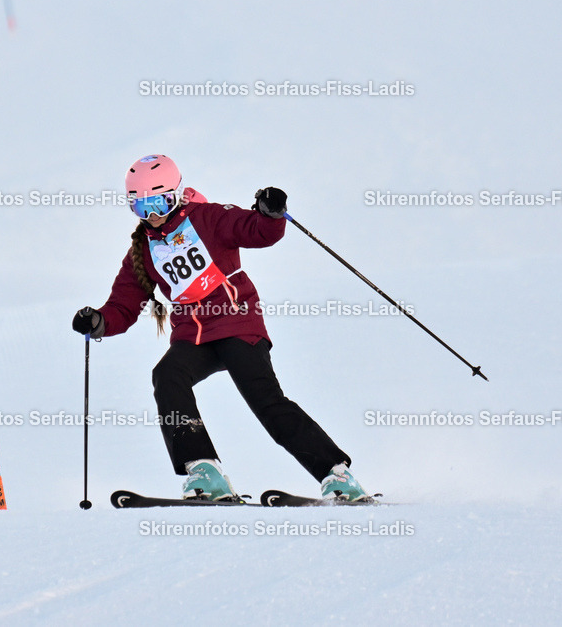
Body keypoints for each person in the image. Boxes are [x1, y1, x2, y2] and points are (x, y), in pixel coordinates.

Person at [72, 154, 369, 501]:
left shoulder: (208, 218)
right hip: (194, 336)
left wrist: (270, 213)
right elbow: (123, 305)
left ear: (177, 194)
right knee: (167, 375)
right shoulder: (143, 249)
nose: (152, 214)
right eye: (140, 207)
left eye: (159, 203)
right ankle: (204, 470)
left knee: (267, 402)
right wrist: (99, 322)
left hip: (236, 322)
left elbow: (256, 230)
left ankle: (337, 475)